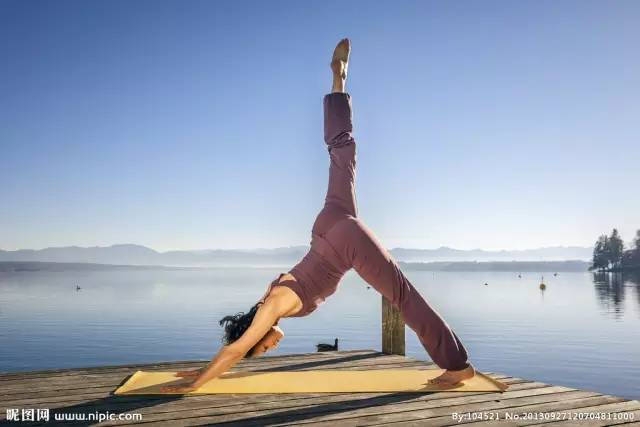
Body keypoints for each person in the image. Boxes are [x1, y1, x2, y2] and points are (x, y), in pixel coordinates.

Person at [161, 38, 475, 392]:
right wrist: (204, 369)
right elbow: (237, 346)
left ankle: (457, 367)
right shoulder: (269, 295)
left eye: (262, 347)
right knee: (342, 153)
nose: (269, 348)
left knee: (401, 295)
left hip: (342, 244)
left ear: (259, 333)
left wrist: (195, 383)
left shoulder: (273, 306)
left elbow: (235, 349)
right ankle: (338, 83)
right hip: (328, 224)